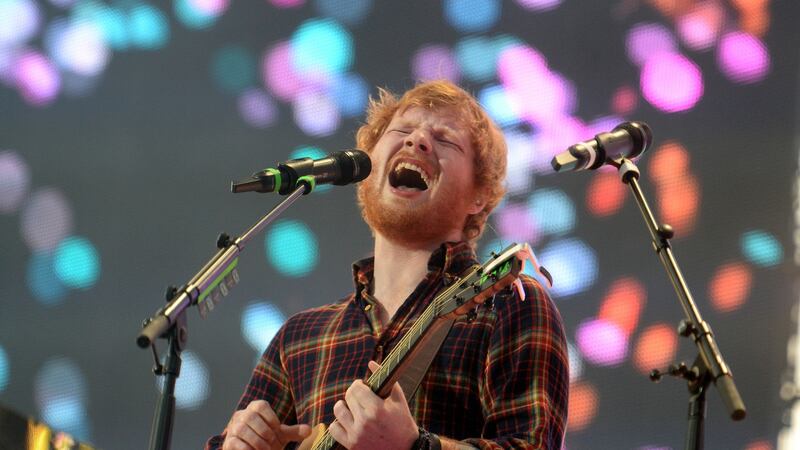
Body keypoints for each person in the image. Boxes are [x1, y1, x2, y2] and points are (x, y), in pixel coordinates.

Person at [206, 80, 569, 450]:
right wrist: (239, 443)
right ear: (367, 168)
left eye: (445, 140)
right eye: (403, 130)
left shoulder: (507, 303)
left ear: (479, 196)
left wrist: (415, 446)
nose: (418, 141)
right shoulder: (298, 337)